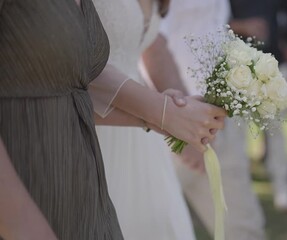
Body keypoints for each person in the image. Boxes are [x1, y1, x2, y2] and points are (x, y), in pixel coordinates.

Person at [0, 0, 225, 239]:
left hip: (80, 163)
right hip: (29, 164)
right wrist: (21, 221)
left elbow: (69, 93)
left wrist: (159, 119)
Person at [142, 0, 267, 239]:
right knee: (155, 228)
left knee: (244, 228)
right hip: (169, 124)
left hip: (217, 120)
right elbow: (152, 43)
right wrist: (185, 127)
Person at [91, 0, 197, 239]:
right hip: (98, 116)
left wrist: (186, 114)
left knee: (159, 215)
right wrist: (162, 113)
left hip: (142, 122)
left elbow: (154, 48)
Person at [228, 0, 287, 211]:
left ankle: (283, 186)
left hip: (273, 64)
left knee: (275, 129)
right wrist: (243, 26)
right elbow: (216, 21)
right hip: (237, 66)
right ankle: (238, 192)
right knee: (237, 133)